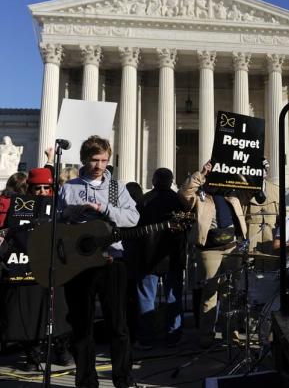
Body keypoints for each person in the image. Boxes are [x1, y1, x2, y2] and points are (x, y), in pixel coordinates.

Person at [58, 135, 139, 388]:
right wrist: (72, 212)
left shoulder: (117, 188)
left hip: (111, 260)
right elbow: (56, 224)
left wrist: (104, 209)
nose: (99, 165)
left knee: (118, 325)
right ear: (84, 159)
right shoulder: (68, 187)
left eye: (104, 160)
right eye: (95, 160)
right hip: (77, 264)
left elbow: (133, 218)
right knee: (82, 326)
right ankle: (86, 381)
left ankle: (123, 380)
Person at [0, 167, 73, 371]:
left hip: (54, 267)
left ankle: (61, 349)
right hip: (26, 267)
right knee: (29, 312)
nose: (42, 192)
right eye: (37, 188)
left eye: (46, 188)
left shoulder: (59, 207)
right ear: (29, 190)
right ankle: (32, 354)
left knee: (59, 310)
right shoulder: (19, 207)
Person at [178, 161, 252, 347]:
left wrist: (238, 170)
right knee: (210, 292)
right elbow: (184, 194)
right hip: (210, 248)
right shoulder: (201, 196)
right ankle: (206, 336)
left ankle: (230, 334)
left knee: (230, 292)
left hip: (231, 246)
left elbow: (253, 192)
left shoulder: (232, 196)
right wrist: (201, 173)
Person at [127, 168, 186, 350]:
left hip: (148, 257)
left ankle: (146, 338)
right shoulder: (178, 201)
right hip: (172, 256)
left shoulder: (144, 200)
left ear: (153, 180)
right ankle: (173, 336)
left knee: (146, 298)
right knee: (172, 297)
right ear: (171, 181)